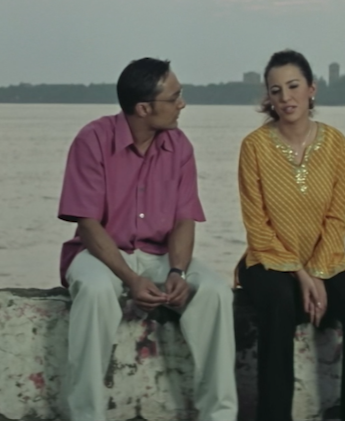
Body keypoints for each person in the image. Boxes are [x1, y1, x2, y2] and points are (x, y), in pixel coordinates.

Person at [57, 57, 238, 421]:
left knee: (216, 292)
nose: (182, 104)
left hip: (160, 254)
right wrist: (130, 278)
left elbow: (185, 218)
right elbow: (88, 224)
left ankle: (219, 415)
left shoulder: (180, 146)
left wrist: (178, 271)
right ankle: (86, 416)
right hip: (102, 253)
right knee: (94, 291)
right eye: (174, 97)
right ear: (143, 108)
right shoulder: (92, 140)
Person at [235, 50, 345, 421]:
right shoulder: (254, 147)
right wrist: (300, 274)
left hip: (326, 257)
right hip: (266, 260)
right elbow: (257, 224)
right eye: (276, 90)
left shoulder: (336, 144)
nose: (286, 97)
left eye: (293, 86)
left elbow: (337, 217)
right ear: (269, 98)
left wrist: (317, 270)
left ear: (311, 89)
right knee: (280, 305)